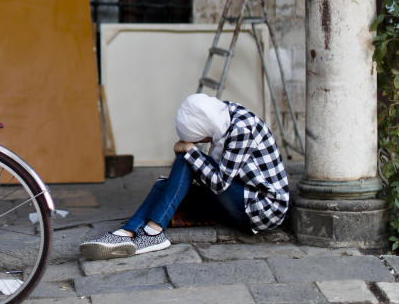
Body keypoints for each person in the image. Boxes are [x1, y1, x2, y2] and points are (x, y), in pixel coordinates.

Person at [80, 93, 290, 260]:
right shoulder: (223, 116)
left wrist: (190, 152)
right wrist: (189, 158)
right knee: (165, 185)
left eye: (200, 137)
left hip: (260, 209)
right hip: (238, 194)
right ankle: (127, 232)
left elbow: (219, 183)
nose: (204, 140)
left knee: (187, 156)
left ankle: (153, 233)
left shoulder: (241, 130)